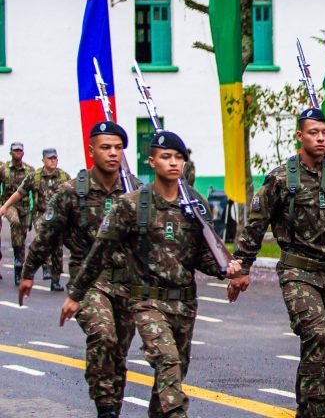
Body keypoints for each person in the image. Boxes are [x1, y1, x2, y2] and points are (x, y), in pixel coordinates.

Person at [60, 130, 241, 418]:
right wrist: (76, 294)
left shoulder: (194, 205)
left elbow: (203, 257)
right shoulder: (130, 205)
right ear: (152, 161)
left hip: (184, 304)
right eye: (166, 156)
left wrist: (226, 269)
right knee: (167, 361)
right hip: (146, 302)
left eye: (178, 157)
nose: (173, 163)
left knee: (172, 376)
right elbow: (99, 253)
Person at [229, 108, 325, 418]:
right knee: (315, 333)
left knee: (321, 341)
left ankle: (306, 408)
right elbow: (256, 223)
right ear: (299, 136)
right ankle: (319, 410)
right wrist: (242, 267)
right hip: (297, 272)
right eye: (313, 133)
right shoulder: (281, 178)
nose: (320, 138)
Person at [20, 122, 140, 418]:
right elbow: (47, 234)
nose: (113, 153)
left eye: (117, 148)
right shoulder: (73, 191)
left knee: (119, 353)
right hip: (88, 282)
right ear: (91, 151)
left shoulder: (135, 190)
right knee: (103, 334)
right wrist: (27, 273)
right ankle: (105, 407)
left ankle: (113, 407)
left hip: (127, 283)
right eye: (105, 147)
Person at [2, 147, 70, 290]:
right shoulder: (35, 176)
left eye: (55, 158)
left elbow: (74, 195)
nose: (53, 161)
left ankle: (55, 279)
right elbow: (19, 193)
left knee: (57, 246)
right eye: (50, 158)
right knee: (44, 235)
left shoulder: (64, 177)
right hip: (41, 214)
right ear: (43, 160)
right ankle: (46, 266)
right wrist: (5, 207)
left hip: (58, 216)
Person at [0, 142, 35, 284]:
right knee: (14, 222)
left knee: (21, 235)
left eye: (20, 150)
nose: (18, 153)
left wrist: (34, 211)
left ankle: (19, 268)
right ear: (10, 153)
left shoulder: (29, 170)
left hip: (25, 207)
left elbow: (35, 191)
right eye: (15, 150)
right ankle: (17, 261)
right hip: (9, 204)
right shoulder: (4, 169)